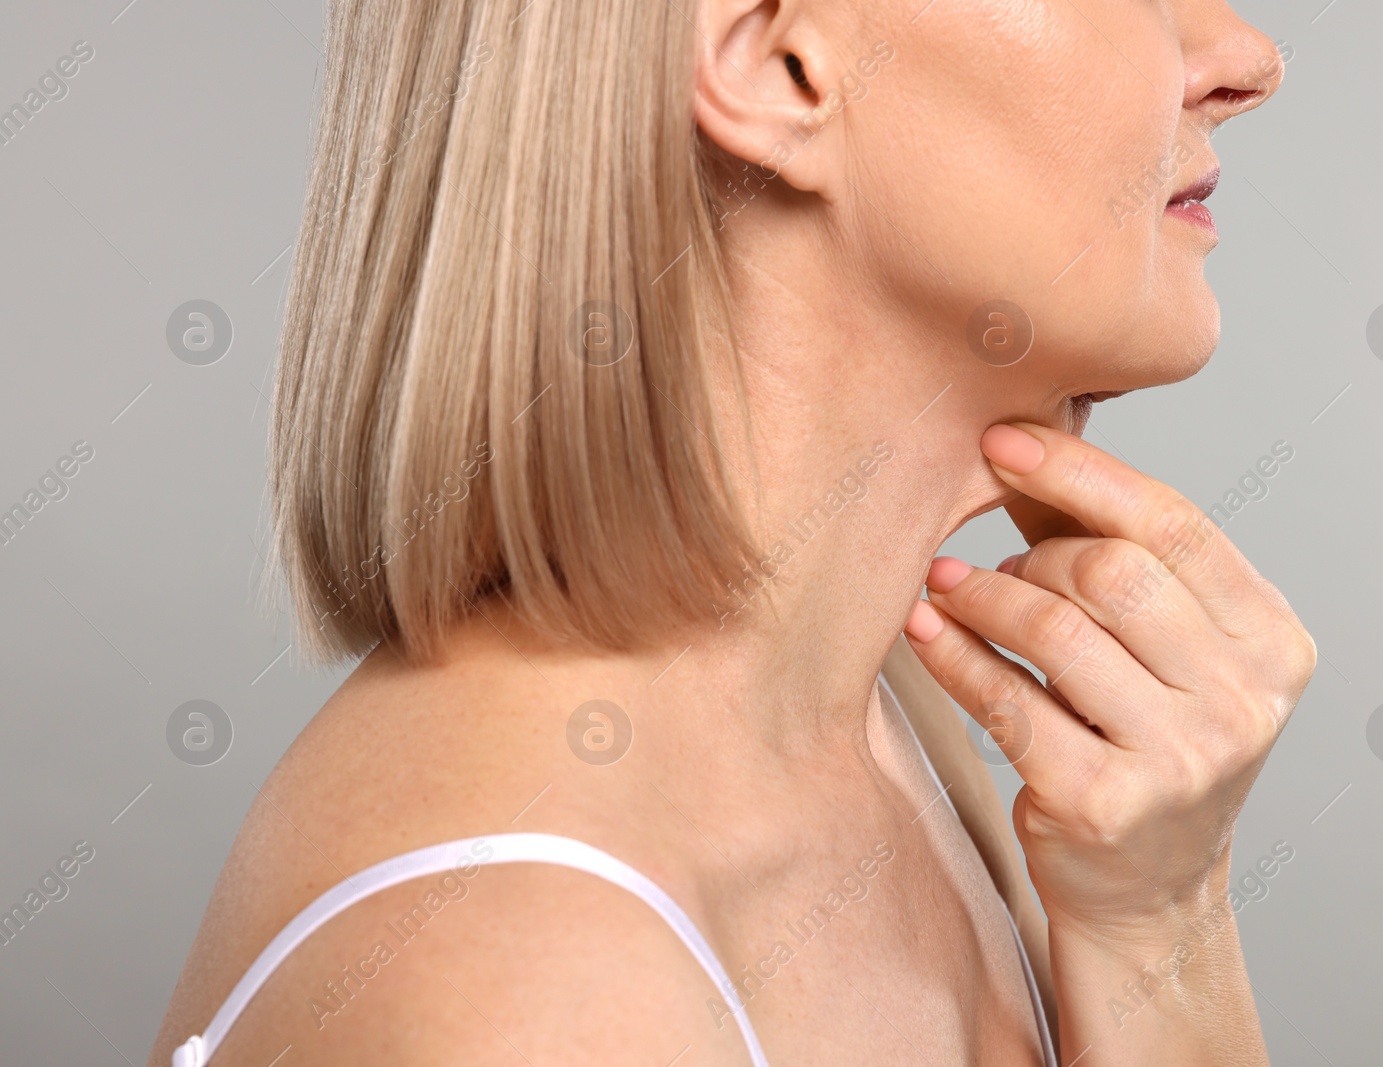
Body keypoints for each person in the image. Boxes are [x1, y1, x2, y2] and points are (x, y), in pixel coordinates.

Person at [150, 0, 1311, 1063]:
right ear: (779, 67)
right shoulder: (542, 988)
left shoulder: (871, 709)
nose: (1245, 63)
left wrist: (1160, 923)